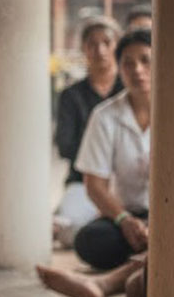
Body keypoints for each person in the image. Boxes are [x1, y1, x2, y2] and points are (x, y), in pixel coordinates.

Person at [63, 29, 152, 272]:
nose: (137, 70)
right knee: (90, 241)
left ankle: (128, 270)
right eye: (128, 63)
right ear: (119, 68)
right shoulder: (105, 116)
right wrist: (124, 220)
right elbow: (95, 185)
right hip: (126, 216)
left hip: (169, 215)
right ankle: (148, 258)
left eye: (146, 60)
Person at [52, 17, 122, 248]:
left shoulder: (130, 91)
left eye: (106, 42)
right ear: (84, 49)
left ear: (117, 46)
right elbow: (65, 145)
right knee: (71, 232)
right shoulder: (71, 96)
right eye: (92, 44)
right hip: (83, 181)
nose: (100, 50)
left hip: (126, 182)